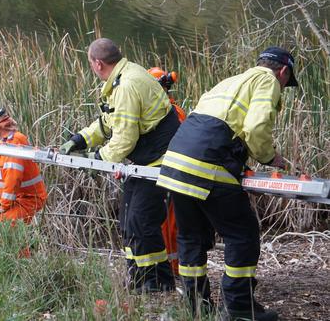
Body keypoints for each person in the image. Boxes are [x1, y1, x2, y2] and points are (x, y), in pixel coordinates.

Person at [156, 47, 296, 321]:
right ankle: (239, 309)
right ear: (283, 72)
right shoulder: (267, 80)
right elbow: (255, 127)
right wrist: (269, 156)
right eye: (286, 81)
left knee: (191, 238)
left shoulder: (230, 81)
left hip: (175, 163)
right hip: (208, 164)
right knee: (242, 236)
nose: (283, 86)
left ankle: (196, 307)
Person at [59, 39, 180, 292]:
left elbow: (124, 139)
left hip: (159, 160)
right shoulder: (124, 75)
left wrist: (97, 160)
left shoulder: (126, 85)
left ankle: (157, 281)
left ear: (97, 63)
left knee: (141, 220)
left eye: (90, 63)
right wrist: (79, 139)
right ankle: (139, 278)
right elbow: (108, 122)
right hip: (144, 160)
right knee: (128, 220)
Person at [0, 102, 47, 225]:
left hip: (28, 200)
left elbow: (13, 178)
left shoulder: (13, 144)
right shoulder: (5, 144)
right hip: (18, 199)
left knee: (1, 224)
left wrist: (3, 206)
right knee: (3, 227)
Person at [148, 67, 187, 276]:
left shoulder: (173, 114)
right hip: (157, 175)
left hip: (170, 175)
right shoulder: (168, 111)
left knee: (171, 224)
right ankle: (166, 267)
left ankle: (172, 268)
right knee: (162, 222)